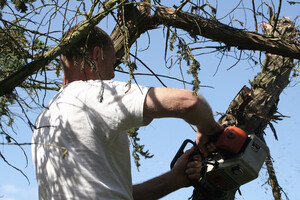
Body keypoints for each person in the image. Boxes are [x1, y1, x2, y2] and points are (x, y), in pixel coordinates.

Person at [32, 26, 223, 200]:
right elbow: (190, 102)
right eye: (112, 65)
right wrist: (209, 129)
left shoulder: (45, 120)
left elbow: (114, 193)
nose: (113, 75)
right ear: (97, 55)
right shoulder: (92, 94)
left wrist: (172, 180)